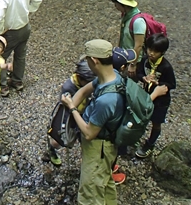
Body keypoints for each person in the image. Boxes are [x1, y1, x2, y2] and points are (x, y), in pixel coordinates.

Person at [46, 47, 135, 188]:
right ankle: (51, 149)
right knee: (60, 141)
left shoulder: (100, 81)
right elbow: (69, 110)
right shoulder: (69, 87)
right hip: (77, 119)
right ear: (82, 79)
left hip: (85, 117)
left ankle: (91, 162)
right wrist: (73, 110)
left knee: (84, 144)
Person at [60, 39, 125, 205]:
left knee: (89, 193)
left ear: (95, 61)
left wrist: (72, 109)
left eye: (88, 59)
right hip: (107, 146)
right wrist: (73, 100)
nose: (86, 63)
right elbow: (84, 90)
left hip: (99, 147)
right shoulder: (111, 77)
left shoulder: (107, 100)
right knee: (104, 183)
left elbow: (89, 133)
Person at [0, 0, 43, 96]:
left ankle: (3, 86)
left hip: (10, 31)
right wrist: (29, 9)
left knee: (1, 56)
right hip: (25, 27)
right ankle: (17, 81)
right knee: (20, 55)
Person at [135, 33, 176, 158]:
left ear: (162, 52)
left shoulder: (166, 67)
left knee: (156, 122)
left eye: (155, 51)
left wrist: (159, 83)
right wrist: (144, 78)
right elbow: (138, 73)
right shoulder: (145, 60)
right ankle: (136, 136)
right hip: (146, 95)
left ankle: (150, 143)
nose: (151, 53)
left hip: (161, 101)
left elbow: (172, 84)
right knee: (143, 117)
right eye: (149, 49)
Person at [108, 0, 146, 77]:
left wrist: (133, 64)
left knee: (129, 84)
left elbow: (139, 45)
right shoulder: (127, 15)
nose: (115, 6)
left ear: (124, 4)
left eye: (116, 3)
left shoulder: (138, 22)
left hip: (133, 61)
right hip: (125, 57)